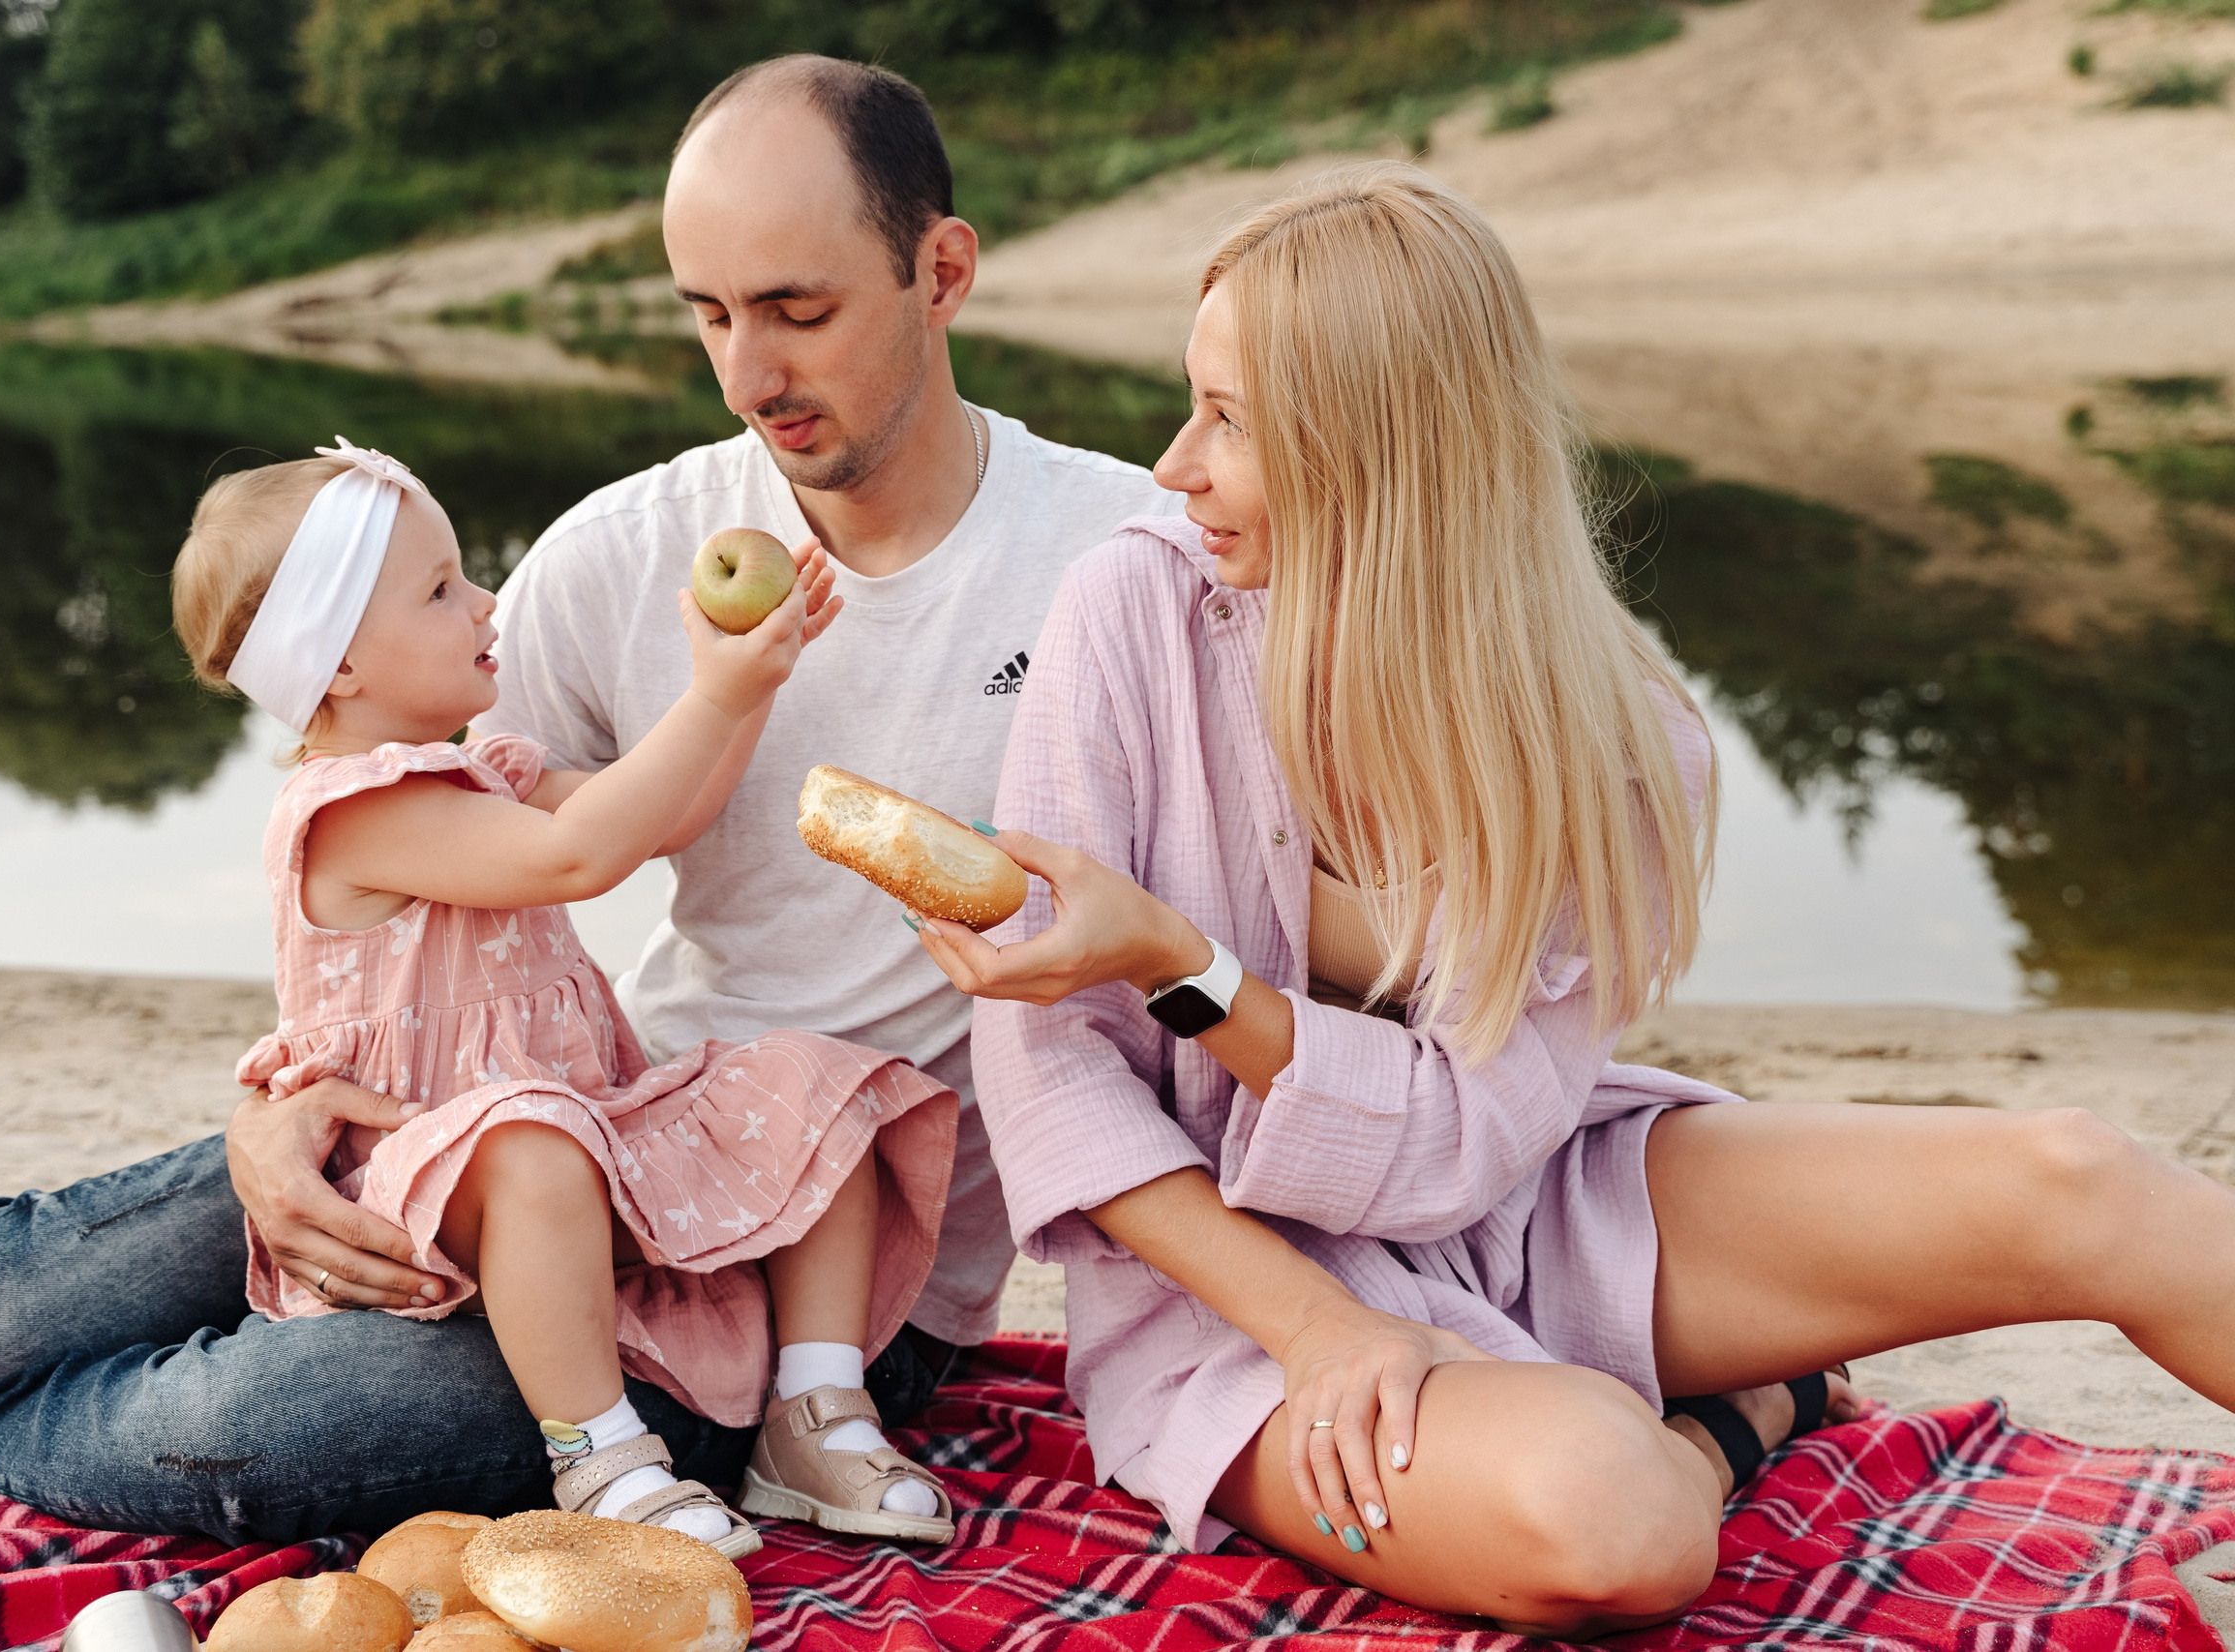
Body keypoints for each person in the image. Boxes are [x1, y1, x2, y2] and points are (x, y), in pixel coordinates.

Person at [0, 54, 1171, 1543]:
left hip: (816, 1265)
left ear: (941, 270)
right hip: (545, 1122)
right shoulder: (627, 550)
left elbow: (1286, 930)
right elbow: (393, 847)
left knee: (302, 1426)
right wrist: (265, 1119)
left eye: (797, 309)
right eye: (708, 313)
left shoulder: (1123, 560)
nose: (748, 371)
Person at [911, 162, 2235, 1637]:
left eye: (1228, 419)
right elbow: (1048, 1072)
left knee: (2087, 1178)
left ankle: (1682, 1368)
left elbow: (1450, 1145)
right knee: (1611, 1523)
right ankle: (1740, 1418)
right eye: (1190, 400)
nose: (1174, 461)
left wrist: (1179, 958)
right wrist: (1322, 1325)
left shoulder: (1611, 736)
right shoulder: (1128, 613)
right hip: (1240, 1297)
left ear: (1378, 450)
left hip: (1537, 1193)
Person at [166, 437, 956, 1553]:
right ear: (338, 665)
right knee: (530, 1144)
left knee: (816, 1083)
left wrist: (741, 689)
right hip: (429, 1173)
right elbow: (580, 857)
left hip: (580, 1126)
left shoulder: (490, 771)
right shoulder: (350, 808)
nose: (485, 601)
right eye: (440, 589)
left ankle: (815, 1408)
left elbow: (659, 818)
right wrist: (717, 692)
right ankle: (600, 1456)